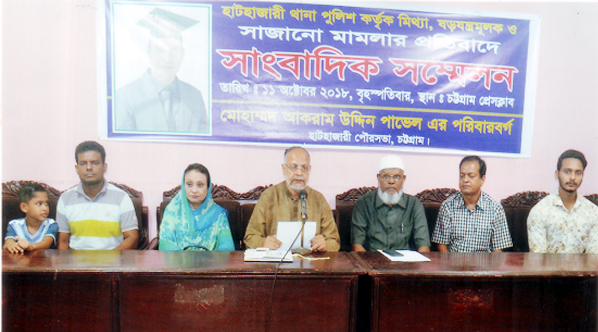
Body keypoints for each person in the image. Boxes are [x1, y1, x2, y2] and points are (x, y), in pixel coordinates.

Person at [115, 8, 208, 133]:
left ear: (182, 54)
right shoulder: (125, 96)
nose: (167, 58)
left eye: (174, 50)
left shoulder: (195, 96)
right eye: (160, 50)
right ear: (149, 51)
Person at [244, 146, 340, 252]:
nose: (299, 173)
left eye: (304, 168)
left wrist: (325, 244)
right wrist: (262, 243)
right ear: (284, 169)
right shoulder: (269, 197)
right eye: (293, 167)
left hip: (311, 264)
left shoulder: (318, 199)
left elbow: (334, 241)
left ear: (309, 170)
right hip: (276, 265)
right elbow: (250, 238)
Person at [56, 141, 139, 250]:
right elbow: (63, 242)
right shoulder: (65, 199)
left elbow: (132, 238)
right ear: (77, 169)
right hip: (76, 264)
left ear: (105, 167)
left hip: (112, 263)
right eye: (83, 163)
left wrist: (108, 261)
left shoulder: (121, 197)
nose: (89, 167)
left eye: (94, 163)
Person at [432, 156, 512, 252]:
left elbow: (498, 251)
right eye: (462, 175)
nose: (465, 180)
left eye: (471, 176)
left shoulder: (495, 209)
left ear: (482, 179)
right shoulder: (448, 206)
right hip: (454, 264)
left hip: (484, 265)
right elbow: (442, 246)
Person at [352, 155, 430, 253]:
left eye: (397, 177)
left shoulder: (414, 205)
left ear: (404, 179)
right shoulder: (363, 204)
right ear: (378, 178)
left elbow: (424, 247)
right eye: (386, 176)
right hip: (373, 263)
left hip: (405, 264)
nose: (391, 181)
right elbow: (357, 246)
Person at [528, 150, 598, 253]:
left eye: (578, 173)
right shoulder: (540, 211)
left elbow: (593, 257)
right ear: (557, 174)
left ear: (582, 176)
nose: (572, 178)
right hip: (547, 269)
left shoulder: (593, 212)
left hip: (583, 269)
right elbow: (538, 258)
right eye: (567, 171)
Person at [159, 163, 235, 250]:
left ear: (208, 188)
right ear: (183, 186)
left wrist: (211, 260)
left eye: (200, 185)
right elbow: (165, 243)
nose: (194, 190)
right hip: (178, 262)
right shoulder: (173, 210)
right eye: (189, 184)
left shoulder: (218, 214)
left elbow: (227, 246)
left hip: (210, 262)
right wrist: (183, 260)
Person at [3, 183, 58, 253]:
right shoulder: (14, 225)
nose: (45, 208)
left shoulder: (51, 224)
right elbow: (8, 242)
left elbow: (46, 243)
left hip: (44, 262)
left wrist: (31, 246)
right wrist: (11, 245)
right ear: (24, 207)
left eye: (46, 203)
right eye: (39, 204)